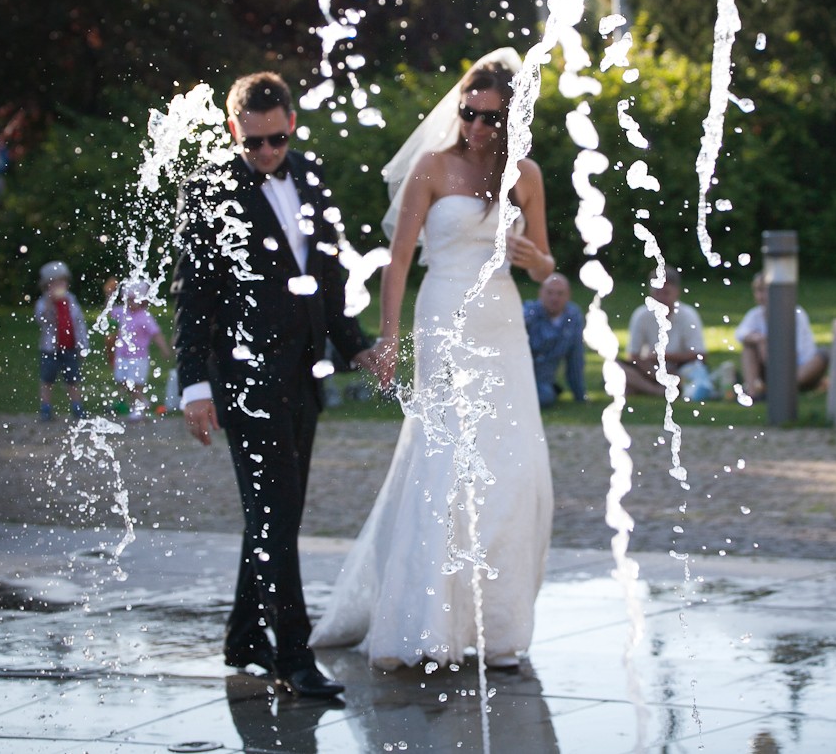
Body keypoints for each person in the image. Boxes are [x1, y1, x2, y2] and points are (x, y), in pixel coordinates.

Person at [309, 49, 555, 673]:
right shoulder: (432, 166)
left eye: (489, 119)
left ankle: (497, 631)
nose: (475, 127)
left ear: (512, 121)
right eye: (469, 114)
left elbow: (549, 263)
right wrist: (388, 338)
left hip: (501, 321)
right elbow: (397, 261)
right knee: (444, 464)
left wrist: (536, 264)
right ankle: (426, 626)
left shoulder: (525, 176)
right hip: (445, 314)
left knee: (512, 466)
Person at [171, 71, 376, 699]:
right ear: (234, 129)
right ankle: (293, 654)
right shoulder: (209, 190)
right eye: (254, 141)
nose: (266, 152)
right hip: (244, 376)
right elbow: (193, 297)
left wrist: (357, 344)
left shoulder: (309, 175)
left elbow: (328, 272)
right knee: (276, 512)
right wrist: (193, 386)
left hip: (303, 374)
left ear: (291, 124)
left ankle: (243, 638)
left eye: (277, 140)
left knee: (274, 515)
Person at [619, 267, 715, 401]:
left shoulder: (688, 316)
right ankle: (657, 390)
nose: (661, 298)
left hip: (680, 369)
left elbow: (700, 355)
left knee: (694, 371)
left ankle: (645, 387)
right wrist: (654, 372)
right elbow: (633, 355)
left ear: (676, 292)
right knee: (616, 368)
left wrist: (664, 357)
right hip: (650, 368)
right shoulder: (641, 315)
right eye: (657, 293)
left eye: (666, 293)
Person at [734, 272, 829, 399]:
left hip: (798, 368)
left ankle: (783, 388)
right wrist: (760, 339)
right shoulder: (755, 315)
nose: (761, 296)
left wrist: (770, 348)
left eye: (765, 291)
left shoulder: (795, 314)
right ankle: (753, 393)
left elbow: (798, 351)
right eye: (758, 291)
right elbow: (740, 334)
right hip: (770, 369)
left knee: (823, 355)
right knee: (748, 347)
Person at [34, 260, 89, 421]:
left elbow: (79, 324)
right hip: (50, 348)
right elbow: (41, 319)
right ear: (47, 286)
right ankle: (46, 407)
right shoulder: (44, 302)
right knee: (47, 379)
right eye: (55, 283)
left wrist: (83, 345)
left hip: (69, 346)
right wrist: (50, 303)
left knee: (72, 379)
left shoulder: (71, 301)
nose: (60, 285)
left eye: (62, 282)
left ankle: (77, 406)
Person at [110, 280, 172, 420]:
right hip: (122, 355)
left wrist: (164, 348)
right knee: (123, 382)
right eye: (129, 300)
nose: (131, 303)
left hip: (138, 357)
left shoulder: (145, 317)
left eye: (135, 300)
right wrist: (109, 295)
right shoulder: (122, 312)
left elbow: (156, 334)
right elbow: (109, 312)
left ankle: (138, 408)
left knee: (136, 385)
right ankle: (141, 403)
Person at [523, 272, 586, 407]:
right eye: (550, 293)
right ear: (541, 293)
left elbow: (575, 359)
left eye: (560, 293)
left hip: (543, 381)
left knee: (545, 396)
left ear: (568, 295)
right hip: (520, 377)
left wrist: (580, 396)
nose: (554, 298)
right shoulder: (528, 314)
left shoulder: (573, 317)